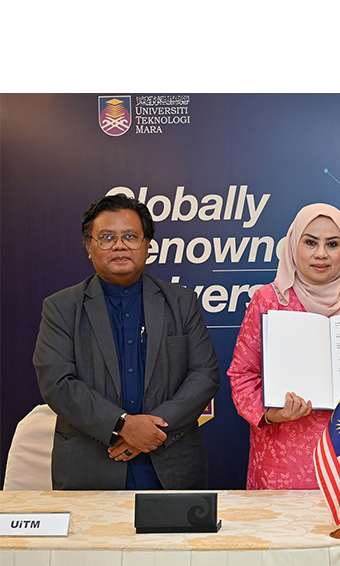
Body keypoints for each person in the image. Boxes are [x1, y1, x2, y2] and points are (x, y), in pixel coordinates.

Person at [34, 194, 220, 491]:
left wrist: (151, 431)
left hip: (171, 467)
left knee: (173, 541)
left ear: (147, 245)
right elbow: (58, 383)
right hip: (91, 466)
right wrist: (123, 425)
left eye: (131, 236)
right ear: (89, 247)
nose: (120, 246)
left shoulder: (182, 302)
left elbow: (204, 375)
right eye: (107, 237)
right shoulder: (61, 308)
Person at [228, 203, 340, 490]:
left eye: (332, 244)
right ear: (293, 245)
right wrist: (274, 413)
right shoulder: (268, 301)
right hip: (284, 460)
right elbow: (242, 376)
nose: (321, 254)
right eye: (310, 242)